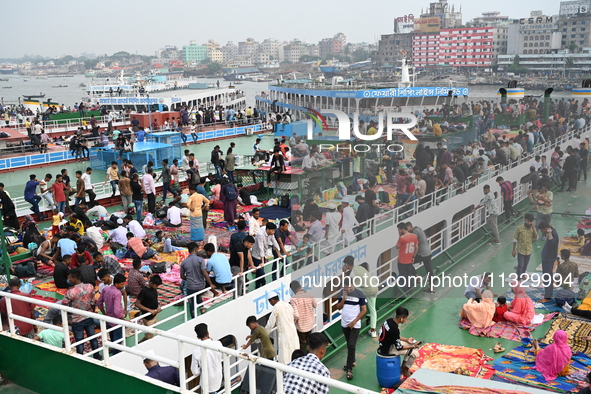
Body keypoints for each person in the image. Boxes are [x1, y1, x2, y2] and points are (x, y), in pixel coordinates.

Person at [62, 268, 100, 357]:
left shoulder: (70, 292)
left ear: (74, 278)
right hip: (88, 316)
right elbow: (93, 301)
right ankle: (97, 355)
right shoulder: (90, 286)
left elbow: (64, 303)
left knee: (79, 341)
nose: (68, 280)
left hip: (77, 319)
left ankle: (80, 358)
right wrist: (91, 312)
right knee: (93, 338)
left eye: (69, 278)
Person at [377, 307, 420, 378]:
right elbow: (399, 347)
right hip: (388, 350)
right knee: (415, 353)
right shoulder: (394, 329)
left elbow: (394, 336)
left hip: (385, 345)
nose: (406, 320)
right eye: (406, 318)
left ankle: (402, 368)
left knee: (410, 344)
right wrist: (414, 346)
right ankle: (405, 370)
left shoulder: (389, 321)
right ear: (401, 318)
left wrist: (407, 340)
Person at [336, 282, 366, 379]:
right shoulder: (342, 292)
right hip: (345, 323)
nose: (348, 289)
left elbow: (364, 310)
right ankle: (352, 361)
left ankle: (349, 369)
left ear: (353, 285)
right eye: (346, 287)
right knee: (349, 344)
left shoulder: (359, 294)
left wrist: (354, 322)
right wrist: (344, 299)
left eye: (349, 287)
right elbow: (338, 307)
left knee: (351, 345)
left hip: (355, 325)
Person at [342, 255, 378, 338]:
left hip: (367, 291)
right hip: (375, 288)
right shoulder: (361, 268)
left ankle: (354, 325)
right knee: (373, 309)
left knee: (351, 289)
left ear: (347, 265)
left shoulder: (352, 274)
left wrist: (343, 272)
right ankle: (373, 331)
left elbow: (347, 283)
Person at [181, 242, 217, 318]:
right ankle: (202, 308)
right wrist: (210, 284)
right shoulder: (201, 260)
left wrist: (189, 279)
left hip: (190, 286)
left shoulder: (184, 262)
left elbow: (182, 276)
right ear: (196, 249)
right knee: (198, 294)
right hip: (201, 286)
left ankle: (194, 317)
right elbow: (205, 273)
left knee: (191, 302)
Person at [265, 291, 299, 365]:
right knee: (294, 351)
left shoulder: (276, 307)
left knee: (285, 355)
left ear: (272, 300)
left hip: (285, 334)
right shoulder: (288, 305)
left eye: (270, 302)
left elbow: (270, 324)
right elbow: (295, 316)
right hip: (293, 332)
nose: (271, 304)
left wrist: (263, 334)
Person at [97, 273, 127, 354]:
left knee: (112, 337)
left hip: (108, 318)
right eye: (122, 284)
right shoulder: (117, 293)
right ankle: (115, 354)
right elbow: (117, 311)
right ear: (116, 284)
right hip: (116, 321)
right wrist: (123, 319)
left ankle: (114, 350)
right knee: (118, 339)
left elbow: (99, 303)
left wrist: (104, 313)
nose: (123, 286)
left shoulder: (105, 289)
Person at [191, 323, 223, 394]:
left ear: (198, 337)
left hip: (207, 382)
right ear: (208, 332)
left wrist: (202, 368)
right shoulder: (218, 344)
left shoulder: (196, 352)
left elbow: (195, 372)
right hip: (218, 379)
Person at [252, 223, 284, 288]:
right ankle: (263, 283)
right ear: (268, 230)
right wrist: (262, 261)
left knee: (259, 273)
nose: (274, 232)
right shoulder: (260, 235)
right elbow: (260, 248)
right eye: (273, 230)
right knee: (261, 272)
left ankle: (257, 286)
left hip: (263, 255)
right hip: (257, 255)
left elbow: (275, 242)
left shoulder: (271, 234)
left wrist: (279, 254)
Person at [289, 280, 317, 351]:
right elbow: (315, 305)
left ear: (292, 290)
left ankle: (303, 357)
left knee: (301, 343)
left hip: (301, 326)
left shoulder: (293, 299)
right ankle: (310, 355)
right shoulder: (309, 295)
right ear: (300, 286)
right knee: (309, 342)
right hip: (310, 324)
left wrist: (294, 322)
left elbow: (296, 315)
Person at [406, 222, 434, 293]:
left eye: (407, 229)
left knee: (408, 262)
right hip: (428, 253)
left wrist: (413, 256)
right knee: (429, 271)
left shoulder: (415, 232)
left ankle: (417, 276)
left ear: (410, 227)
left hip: (422, 254)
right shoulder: (419, 228)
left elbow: (414, 244)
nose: (407, 230)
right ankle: (432, 288)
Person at [136, 275, 163, 342]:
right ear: (151, 283)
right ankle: (140, 344)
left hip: (154, 314)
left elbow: (154, 300)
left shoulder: (154, 289)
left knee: (152, 332)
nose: (157, 287)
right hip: (148, 317)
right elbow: (137, 304)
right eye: (156, 285)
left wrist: (158, 306)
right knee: (149, 335)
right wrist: (149, 310)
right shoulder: (144, 291)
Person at [539, 221, 559, 303]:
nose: (541, 232)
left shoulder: (552, 233)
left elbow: (552, 242)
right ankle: (548, 292)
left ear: (545, 229)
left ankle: (547, 297)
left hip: (549, 259)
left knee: (547, 277)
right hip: (547, 258)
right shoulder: (551, 231)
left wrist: (549, 233)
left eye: (541, 230)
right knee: (546, 276)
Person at [396, 222, 418, 292]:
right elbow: (416, 247)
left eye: (399, 230)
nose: (399, 231)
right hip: (410, 260)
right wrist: (413, 256)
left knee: (403, 276)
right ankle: (410, 290)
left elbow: (397, 247)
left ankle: (406, 292)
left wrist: (399, 236)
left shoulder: (402, 238)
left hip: (402, 261)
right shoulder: (414, 236)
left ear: (402, 229)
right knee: (409, 275)